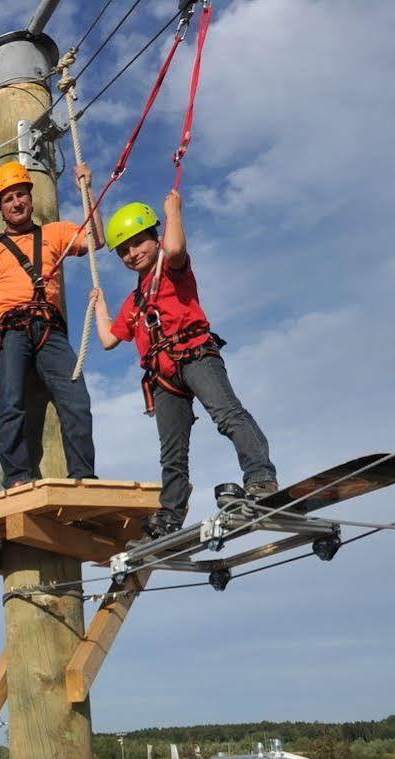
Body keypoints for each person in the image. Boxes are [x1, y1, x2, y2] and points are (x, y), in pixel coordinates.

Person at [90, 190, 278, 537]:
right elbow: (108, 340)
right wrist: (100, 306)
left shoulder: (171, 268)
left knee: (227, 415)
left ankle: (261, 478)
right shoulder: (134, 301)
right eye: (125, 250)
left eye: (138, 243)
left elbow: (175, 248)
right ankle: (170, 516)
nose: (132, 253)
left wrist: (173, 211)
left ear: (154, 238)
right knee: (172, 453)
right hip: (163, 377)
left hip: (194, 354)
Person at [0, 161, 103, 489]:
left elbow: (95, 239)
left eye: (20, 195)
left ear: (30, 198)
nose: (16, 203)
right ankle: (17, 477)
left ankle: (83, 476)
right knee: (11, 402)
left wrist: (87, 189)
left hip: (49, 329)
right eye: (8, 198)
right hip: (9, 328)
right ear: (0, 207)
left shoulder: (54, 233)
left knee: (76, 399)